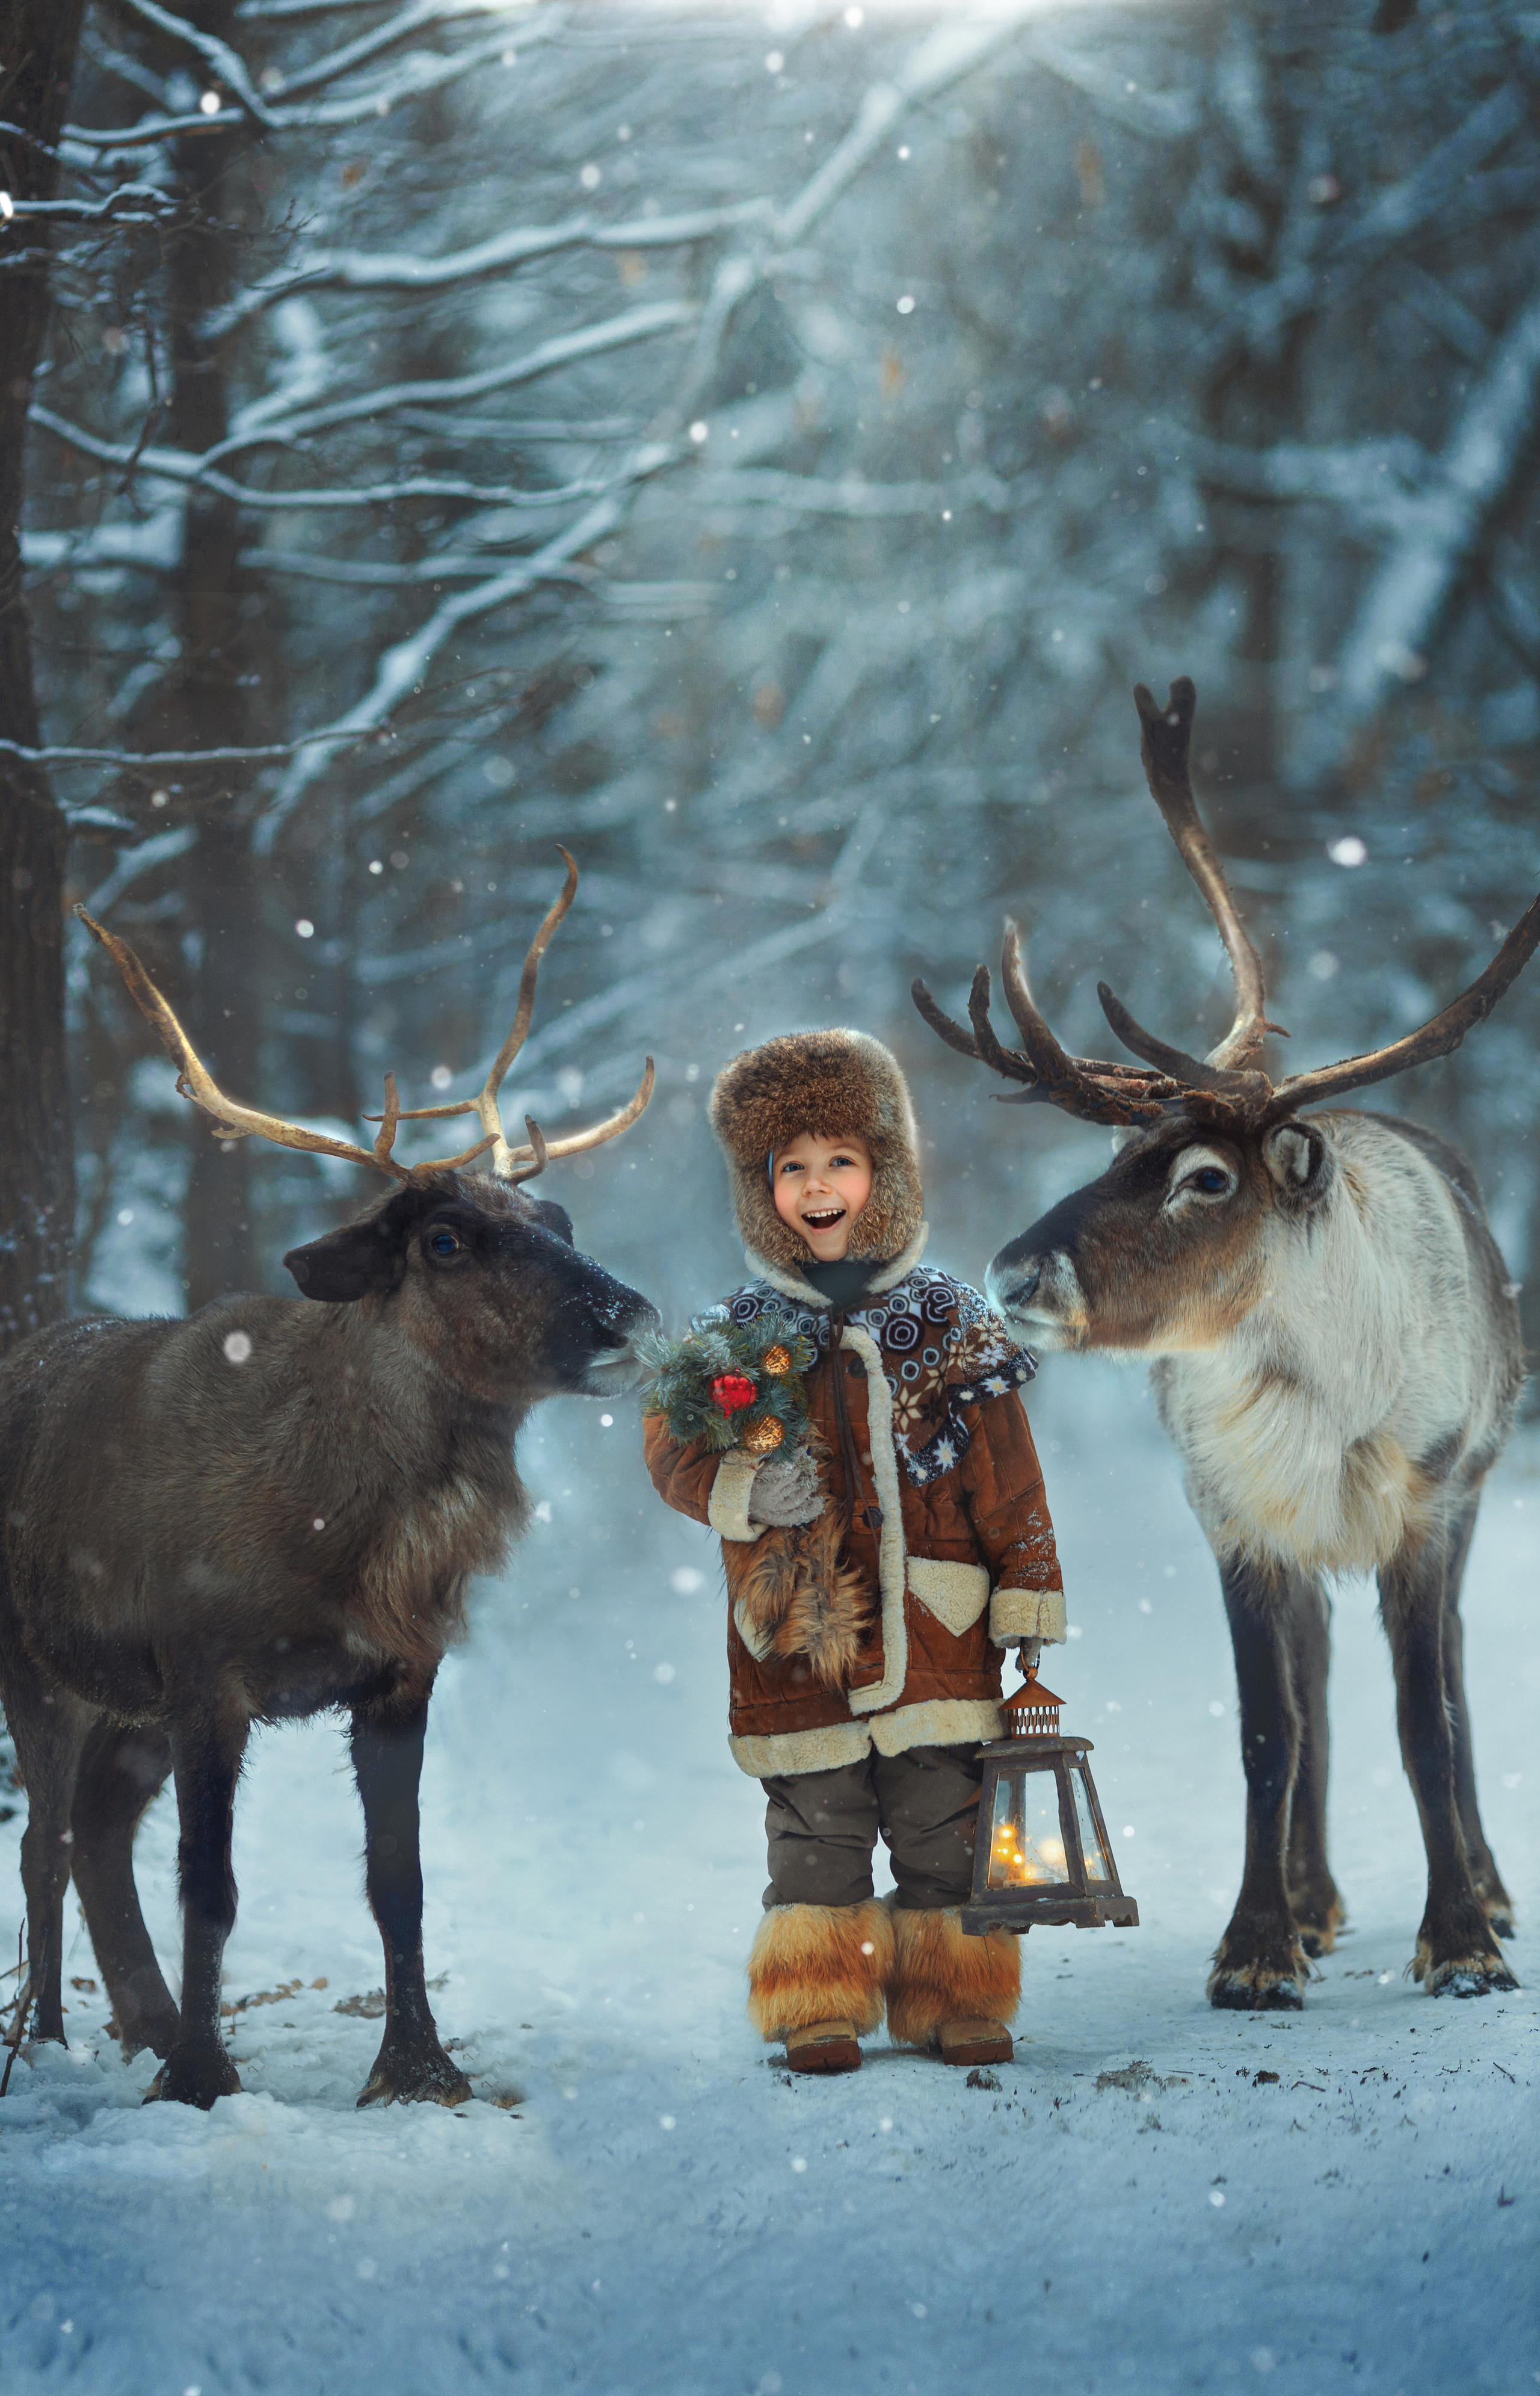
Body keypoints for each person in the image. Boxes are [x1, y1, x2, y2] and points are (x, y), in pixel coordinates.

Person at [644, 1029, 1067, 2073]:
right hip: (799, 1628)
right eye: (791, 1168)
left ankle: (955, 1991)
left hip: (938, 1628)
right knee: (815, 1829)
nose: (817, 1186)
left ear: (883, 1173)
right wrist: (743, 1487)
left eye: (840, 1160)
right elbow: (669, 1454)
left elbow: (1009, 1482)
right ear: (761, 1189)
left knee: (942, 1820)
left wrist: (1026, 1602)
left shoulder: (950, 1321)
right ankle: (817, 1994)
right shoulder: (737, 1332)